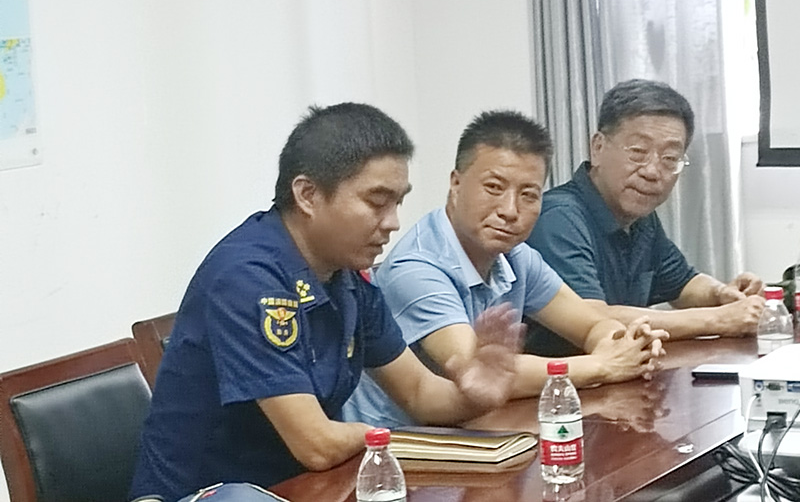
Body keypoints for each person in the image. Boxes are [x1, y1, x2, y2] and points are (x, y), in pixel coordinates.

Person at [130, 104, 524, 501]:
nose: (393, 222)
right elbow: (316, 445)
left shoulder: (344, 276)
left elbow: (419, 392)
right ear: (308, 195)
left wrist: (473, 393)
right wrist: (388, 438)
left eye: (398, 203)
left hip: (307, 489)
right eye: (377, 201)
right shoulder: (247, 278)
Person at [343, 110, 666, 429]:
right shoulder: (415, 267)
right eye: (494, 188)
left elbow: (590, 323)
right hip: (400, 442)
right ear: (456, 184)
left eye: (528, 195)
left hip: (476, 427)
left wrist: (625, 344)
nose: (510, 211)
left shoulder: (516, 256)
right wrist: (603, 365)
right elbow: (479, 371)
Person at [525, 79, 764, 357]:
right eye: (638, 152)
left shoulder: (639, 217)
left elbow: (684, 285)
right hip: (562, 378)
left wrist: (723, 294)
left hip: (624, 372)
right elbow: (592, 317)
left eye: (670, 158)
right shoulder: (558, 217)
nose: (652, 171)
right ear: (598, 147)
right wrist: (720, 319)